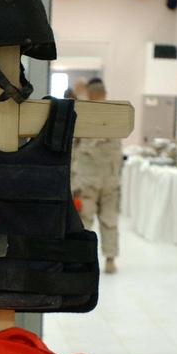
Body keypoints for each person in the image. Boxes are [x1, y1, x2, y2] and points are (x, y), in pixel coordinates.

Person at [71, 78, 123, 274]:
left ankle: (84, 259)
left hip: (87, 179)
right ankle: (110, 259)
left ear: (90, 95)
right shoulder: (117, 116)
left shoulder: (84, 116)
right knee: (110, 219)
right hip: (110, 179)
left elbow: (74, 149)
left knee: (85, 220)